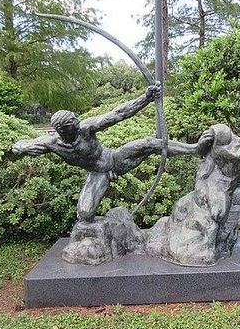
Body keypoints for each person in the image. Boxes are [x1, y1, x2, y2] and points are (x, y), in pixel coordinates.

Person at [12, 84, 214, 225]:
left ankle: (195, 149)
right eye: (74, 122)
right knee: (85, 215)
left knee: (149, 143)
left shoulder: (86, 128)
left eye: (76, 119)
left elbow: (118, 114)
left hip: (114, 160)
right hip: (97, 174)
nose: (78, 122)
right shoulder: (52, 144)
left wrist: (146, 98)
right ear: (64, 130)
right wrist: (18, 147)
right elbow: (25, 144)